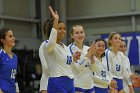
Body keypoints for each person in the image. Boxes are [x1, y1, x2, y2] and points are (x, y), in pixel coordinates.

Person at [39, 6, 81, 93]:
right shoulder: (47, 44)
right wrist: (56, 20)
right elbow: (51, 43)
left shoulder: (65, 47)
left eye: (64, 29)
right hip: (57, 82)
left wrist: (73, 59)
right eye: (59, 28)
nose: (63, 31)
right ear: (53, 30)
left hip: (70, 82)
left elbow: (68, 66)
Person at [68, 25, 96, 93]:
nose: (80, 35)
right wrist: (89, 54)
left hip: (90, 85)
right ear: (72, 36)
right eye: (77, 33)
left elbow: (94, 70)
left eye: (81, 32)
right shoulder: (70, 49)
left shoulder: (87, 48)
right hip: (78, 85)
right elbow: (78, 69)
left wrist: (92, 57)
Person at [0, 28, 19, 93]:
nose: (13, 38)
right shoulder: (1, 55)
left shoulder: (15, 57)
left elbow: (14, 77)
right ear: (3, 40)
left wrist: (17, 91)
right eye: (10, 36)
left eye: (13, 36)